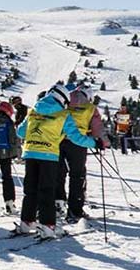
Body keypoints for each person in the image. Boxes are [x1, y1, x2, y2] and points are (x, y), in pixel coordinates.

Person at [15, 85, 97, 239]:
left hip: (30, 154)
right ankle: (48, 226)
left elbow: (20, 131)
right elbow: (76, 137)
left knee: (30, 190)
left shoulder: (33, 110)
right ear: (63, 99)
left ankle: (27, 222)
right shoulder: (63, 114)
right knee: (47, 190)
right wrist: (95, 143)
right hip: (49, 155)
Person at [57, 86, 108, 222]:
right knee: (77, 176)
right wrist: (103, 143)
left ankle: (57, 204)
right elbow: (97, 128)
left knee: (58, 173)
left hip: (59, 141)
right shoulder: (89, 107)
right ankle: (75, 211)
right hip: (79, 143)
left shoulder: (64, 103)